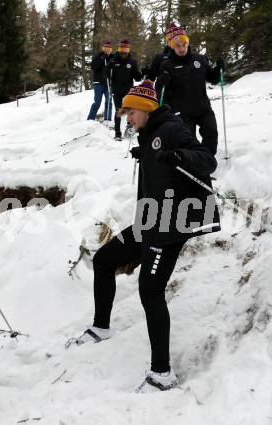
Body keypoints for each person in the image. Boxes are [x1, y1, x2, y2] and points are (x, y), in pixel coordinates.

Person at [76, 80, 220, 392]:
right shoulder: (151, 133)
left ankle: (162, 374)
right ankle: (102, 327)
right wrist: (150, 153)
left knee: (150, 291)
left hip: (172, 223)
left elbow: (208, 160)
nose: (126, 116)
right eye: (125, 111)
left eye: (130, 111)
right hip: (151, 220)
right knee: (104, 260)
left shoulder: (171, 129)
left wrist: (179, 157)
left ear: (146, 109)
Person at [156, 25, 225, 156]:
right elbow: (161, 92)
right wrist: (161, 82)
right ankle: (194, 168)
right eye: (177, 46)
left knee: (212, 134)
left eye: (184, 44)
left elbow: (213, 79)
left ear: (188, 42)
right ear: (171, 46)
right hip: (183, 112)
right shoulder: (167, 65)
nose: (182, 49)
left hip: (203, 108)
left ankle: (207, 161)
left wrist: (219, 69)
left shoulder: (200, 60)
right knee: (189, 142)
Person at [105, 39, 142, 140]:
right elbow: (106, 74)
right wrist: (108, 68)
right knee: (118, 111)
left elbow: (137, 77)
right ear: (119, 49)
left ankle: (129, 129)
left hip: (128, 91)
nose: (123, 52)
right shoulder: (113, 61)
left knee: (129, 111)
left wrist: (141, 73)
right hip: (116, 90)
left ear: (128, 50)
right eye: (122, 49)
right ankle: (117, 133)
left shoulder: (132, 62)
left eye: (126, 49)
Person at [87, 40, 114, 122]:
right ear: (103, 48)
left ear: (111, 49)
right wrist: (101, 59)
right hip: (98, 83)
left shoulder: (113, 57)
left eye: (109, 48)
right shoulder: (98, 56)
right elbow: (93, 67)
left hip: (108, 83)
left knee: (108, 102)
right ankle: (90, 119)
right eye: (106, 47)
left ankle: (108, 120)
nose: (108, 49)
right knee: (97, 102)